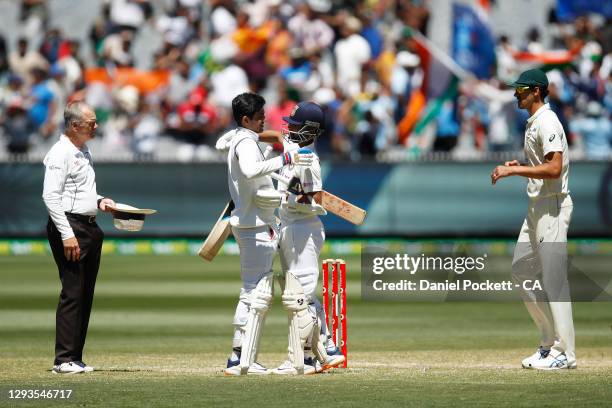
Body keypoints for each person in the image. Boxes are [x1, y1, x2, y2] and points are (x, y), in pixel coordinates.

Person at [215, 93, 313, 375]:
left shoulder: (242, 138)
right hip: (255, 226)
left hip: (253, 223)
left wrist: (272, 153)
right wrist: (286, 158)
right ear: (246, 119)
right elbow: (250, 170)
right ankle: (239, 357)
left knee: (253, 290)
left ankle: (241, 355)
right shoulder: (245, 140)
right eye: (260, 117)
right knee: (252, 292)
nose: (264, 121)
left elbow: (255, 164)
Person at [490, 69, 576, 370]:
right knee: (521, 272)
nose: (516, 94)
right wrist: (522, 165)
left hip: (552, 206)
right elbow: (542, 164)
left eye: (521, 90)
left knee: (554, 281)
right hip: (536, 207)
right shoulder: (535, 122)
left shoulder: (549, 121)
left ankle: (565, 352)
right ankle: (547, 344)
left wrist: (514, 171)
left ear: (536, 91)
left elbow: (554, 169)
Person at [265, 101, 346, 375]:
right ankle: (327, 349)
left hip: (303, 228)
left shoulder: (309, 161)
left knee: (300, 297)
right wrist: (244, 136)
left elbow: (310, 200)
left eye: (297, 124)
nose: (291, 128)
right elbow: (277, 136)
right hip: (291, 226)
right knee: (302, 295)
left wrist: (283, 196)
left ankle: (303, 359)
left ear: (310, 130)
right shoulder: (293, 148)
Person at [42, 101, 116, 374]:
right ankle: (63, 360)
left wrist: (100, 201)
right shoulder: (60, 153)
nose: (96, 126)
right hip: (71, 227)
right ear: (75, 126)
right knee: (72, 292)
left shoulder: (83, 150)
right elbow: (51, 196)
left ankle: (74, 356)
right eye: (91, 122)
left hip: (88, 225)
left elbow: (79, 191)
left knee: (84, 293)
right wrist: (67, 234)